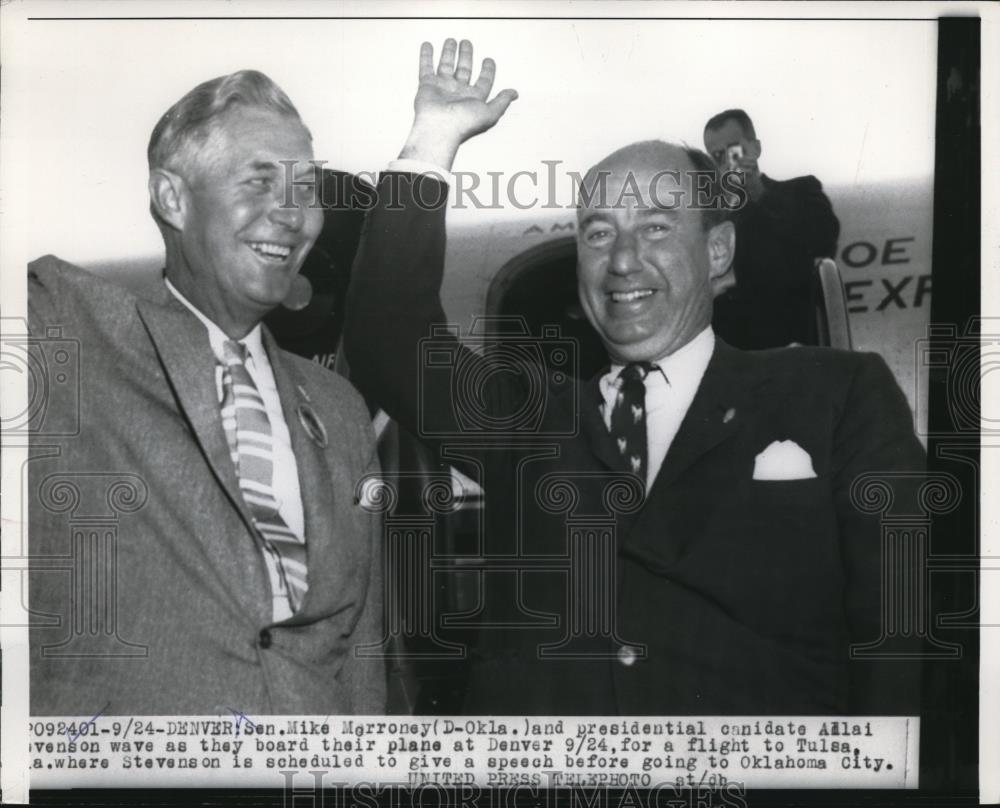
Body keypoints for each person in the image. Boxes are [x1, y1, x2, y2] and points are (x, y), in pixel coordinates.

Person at [344, 39, 925, 715]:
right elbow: (387, 335)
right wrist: (431, 143)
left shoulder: (836, 396)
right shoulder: (528, 419)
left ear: (716, 251)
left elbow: (900, 641)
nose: (622, 260)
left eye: (655, 227)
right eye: (597, 232)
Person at [28, 71, 384, 715]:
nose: (292, 214)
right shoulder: (67, 339)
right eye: (258, 181)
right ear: (172, 197)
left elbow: (361, 648)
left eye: (306, 188)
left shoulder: (339, 410)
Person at [703, 108, 840, 349]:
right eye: (717, 156)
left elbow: (823, 239)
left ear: (756, 148)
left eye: (734, 150)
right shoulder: (711, 217)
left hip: (789, 346)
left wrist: (756, 193)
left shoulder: (800, 191)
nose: (728, 161)